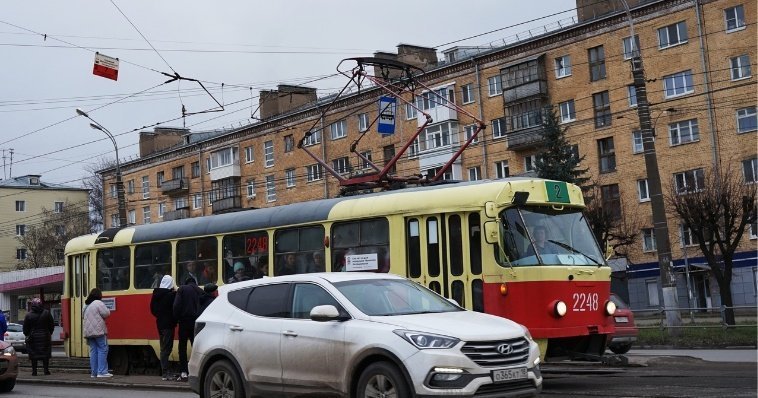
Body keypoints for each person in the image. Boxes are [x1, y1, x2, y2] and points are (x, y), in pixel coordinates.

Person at [173, 277, 203, 381]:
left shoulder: (182, 289)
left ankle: (184, 371)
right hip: (196, 322)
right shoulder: (200, 291)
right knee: (196, 346)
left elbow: (176, 306)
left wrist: (176, 319)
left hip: (184, 322)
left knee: (182, 347)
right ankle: (197, 370)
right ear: (195, 283)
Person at [150, 275, 177, 381]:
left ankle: (166, 371)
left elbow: (152, 310)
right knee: (166, 349)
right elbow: (175, 308)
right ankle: (166, 373)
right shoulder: (171, 296)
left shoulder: (156, 294)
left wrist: (160, 316)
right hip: (168, 325)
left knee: (163, 347)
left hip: (160, 324)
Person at [83, 288, 112, 378]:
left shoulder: (86, 304)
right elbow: (106, 313)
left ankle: (94, 373)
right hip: (99, 331)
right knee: (103, 349)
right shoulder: (98, 303)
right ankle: (102, 372)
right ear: (99, 295)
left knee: (93, 351)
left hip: (89, 332)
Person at [23, 298, 54, 376]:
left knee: (34, 355)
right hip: (45, 337)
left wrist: (28, 334)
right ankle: (46, 371)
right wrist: (48, 333)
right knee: (45, 354)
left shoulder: (28, 315)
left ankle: (34, 371)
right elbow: (51, 326)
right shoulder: (47, 313)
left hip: (33, 338)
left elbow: (25, 330)